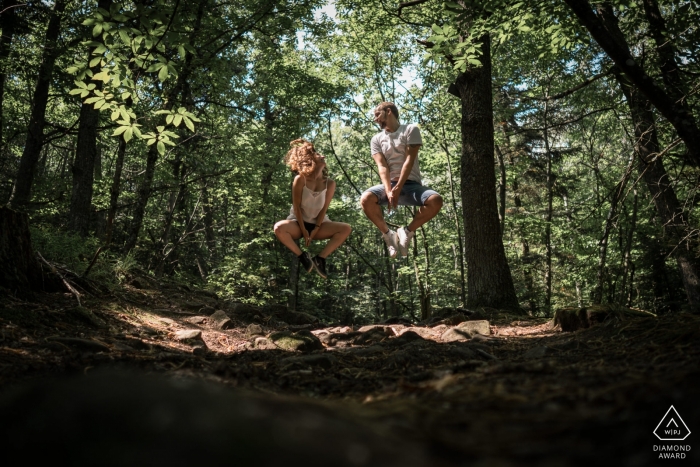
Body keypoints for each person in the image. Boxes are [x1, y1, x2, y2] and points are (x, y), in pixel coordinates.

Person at [360, 102, 443, 258]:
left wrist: (398, 187)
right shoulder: (376, 139)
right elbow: (382, 167)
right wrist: (390, 190)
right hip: (389, 186)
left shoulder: (411, 130)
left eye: (378, 114)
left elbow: (409, 160)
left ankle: (407, 232)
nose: (375, 119)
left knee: (436, 200)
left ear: (388, 112)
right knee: (366, 198)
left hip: (411, 185)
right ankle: (388, 235)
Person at [274, 139, 351, 278]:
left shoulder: (330, 184)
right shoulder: (300, 179)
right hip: (298, 223)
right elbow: (296, 207)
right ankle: (302, 257)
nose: (323, 156)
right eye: (319, 155)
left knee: (346, 228)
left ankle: (320, 259)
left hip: (319, 224)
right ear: (310, 159)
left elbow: (323, 210)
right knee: (279, 227)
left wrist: (315, 230)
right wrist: (304, 230)